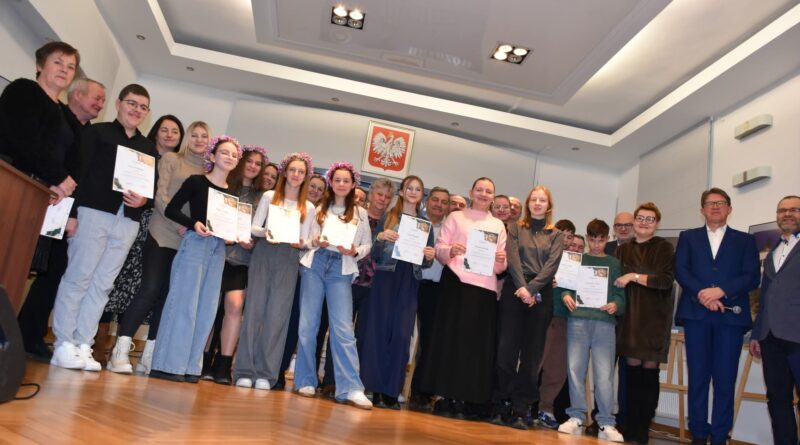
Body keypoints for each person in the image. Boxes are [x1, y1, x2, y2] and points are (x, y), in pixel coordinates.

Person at [49, 84, 156, 371]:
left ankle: (84, 343)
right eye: (131, 103)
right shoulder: (97, 133)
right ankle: (63, 342)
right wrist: (71, 213)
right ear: (118, 104)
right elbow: (78, 174)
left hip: (127, 221)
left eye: (142, 107)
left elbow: (151, 189)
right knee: (78, 278)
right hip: (93, 212)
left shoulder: (147, 148)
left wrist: (144, 200)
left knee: (103, 285)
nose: (136, 110)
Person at [107, 121, 209, 374]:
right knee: (149, 290)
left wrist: (192, 227)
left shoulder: (209, 171)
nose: (199, 140)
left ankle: (150, 355)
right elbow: (160, 196)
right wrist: (180, 223)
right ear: (187, 138)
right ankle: (120, 350)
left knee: (167, 297)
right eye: (194, 135)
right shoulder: (172, 159)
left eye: (204, 136)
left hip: (187, 241)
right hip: (162, 232)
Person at [15, 75, 105, 361]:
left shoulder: (89, 133)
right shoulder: (59, 121)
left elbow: (82, 178)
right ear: (76, 95)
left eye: (103, 100)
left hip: (64, 211)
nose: (100, 104)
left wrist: (72, 212)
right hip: (39, 200)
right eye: (97, 98)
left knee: (52, 273)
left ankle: (29, 334)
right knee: (24, 267)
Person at [148, 136, 242, 382]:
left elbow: (231, 228)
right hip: (195, 244)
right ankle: (168, 365)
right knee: (183, 304)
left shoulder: (232, 195)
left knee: (207, 308)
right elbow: (171, 209)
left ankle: (191, 366)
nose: (230, 157)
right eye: (224, 152)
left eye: (234, 155)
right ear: (212, 156)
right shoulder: (196, 182)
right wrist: (193, 224)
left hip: (218, 250)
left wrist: (231, 237)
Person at [674, 188, 760, 445]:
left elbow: (751, 276)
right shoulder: (688, 237)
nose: (715, 207)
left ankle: (721, 436)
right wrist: (704, 294)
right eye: (710, 203)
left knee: (725, 380)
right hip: (696, 315)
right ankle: (699, 434)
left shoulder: (746, 240)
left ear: (729, 209)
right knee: (698, 378)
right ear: (702, 210)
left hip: (730, 318)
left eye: (720, 203)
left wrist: (721, 291)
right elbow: (681, 270)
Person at [420, 177, 507, 419]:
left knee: (475, 347)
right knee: (449, 341)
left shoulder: (498, 225)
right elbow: (439, 250)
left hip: (484, 290)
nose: (483, 194)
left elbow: (501, 266)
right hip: (455, 285)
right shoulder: (455, 217)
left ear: (493, 196)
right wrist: (451, 250)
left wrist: (500, 260)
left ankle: (468, 399)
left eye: (488, 191)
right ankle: (445, 397)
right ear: (471, 192)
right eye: (479, 189)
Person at [100, 115, 185, 363]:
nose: (169, 135)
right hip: (136, 223)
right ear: (155, 132)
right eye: (164, 130)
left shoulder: (180, 165)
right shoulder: (143, 155)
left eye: (175, 131)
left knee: (149, 288)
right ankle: (101, 343)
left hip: (163, 230)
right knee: (121, 282)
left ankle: (126, 346)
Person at [294, 162, 373, 409]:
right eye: (337, 179)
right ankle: (305, 380)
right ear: (331, 182)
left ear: (353, 185)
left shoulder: (360, 214)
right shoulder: (319, 208)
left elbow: (367, 245)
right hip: (315, 264)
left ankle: (351, 388)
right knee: (308, 325)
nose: (341, 184)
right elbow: (306, 240)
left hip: (341, 268)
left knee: (343, 329)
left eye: (345, 180)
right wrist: (314, 241)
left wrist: (355, 251)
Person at [234, 152, 315, 390]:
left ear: (305, 176)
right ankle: (244, 370)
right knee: (254, 312)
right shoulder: (270, 197)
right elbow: (254, 227)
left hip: (289, 259)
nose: (296, 175)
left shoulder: (308, 207)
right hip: (264, 252)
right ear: (285, 172)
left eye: (301, 172)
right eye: (292, 170)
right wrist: (268, 231)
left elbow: (307, 239)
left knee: (277, 317)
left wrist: (302, 242)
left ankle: (266, 373)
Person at [309, 177, 396, 394]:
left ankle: (356, 383)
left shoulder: (392, 223)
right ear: (371, 194)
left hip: (374, 286)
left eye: (387, 197)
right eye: (379, 194)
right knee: (339, 331)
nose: (382, 200)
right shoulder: (355, 214)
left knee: (364, 336)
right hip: (345, 279)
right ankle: (331, 381)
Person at [358, 175, 435, 409]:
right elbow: (373, 251)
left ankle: (391, 390)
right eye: (409, 188)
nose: (413, 192)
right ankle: (373, 387)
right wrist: (380, 237)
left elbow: (426, 262)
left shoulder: (426, 225)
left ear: (421, 195)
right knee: (378, 331)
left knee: (402, 335)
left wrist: (429, 256)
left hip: (409, 279)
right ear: (401, 192)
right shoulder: (389, 216)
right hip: (385, 277)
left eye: (417, 189)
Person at [491, 185, 563, 429]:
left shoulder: (556, 234)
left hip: (541, 294)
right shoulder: (515, 228)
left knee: (532, 357)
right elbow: (513, 259)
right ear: (528, 203)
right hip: (515, 288)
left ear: (548, 205)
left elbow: (551, 266)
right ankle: (502, 403)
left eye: (542, 200)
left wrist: (532, 289)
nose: (538, 203)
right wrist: (523, 289)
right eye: (534, 199)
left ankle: (521, 408)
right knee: (506, 352)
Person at [203, 146, 268, 384]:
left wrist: (253, 241)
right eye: (249, 161)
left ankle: (223, 365)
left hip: (242, 260)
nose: (253, 166)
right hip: (216, 253)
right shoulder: (225, 184)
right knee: (210, 308)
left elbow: (264, 230)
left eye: (258, 164)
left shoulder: (263, 197)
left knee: (234, 306)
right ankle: (203, 361)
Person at [556, 219, 625, 442]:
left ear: (607, 239)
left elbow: (620, 295)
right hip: (578, 319)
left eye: (601, 241)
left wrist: (616, 305)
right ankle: (576, 417)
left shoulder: (614, 263)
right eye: (593, 240)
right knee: (575, 369)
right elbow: (565, 286)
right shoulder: (578, 260)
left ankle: (606, 422)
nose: (596, 245)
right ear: (587, 239)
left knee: (604, 374)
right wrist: (566, 295)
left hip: (604, 322)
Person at [614, 202, 675, 444]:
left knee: (648, 376)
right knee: (631, 376)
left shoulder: (664, 247)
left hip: (654, 320)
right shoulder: (623, 250)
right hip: (629, 320)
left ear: (657, 224)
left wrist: (634, 276)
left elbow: (665, 281)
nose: (644, 222)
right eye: (640, 218)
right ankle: (629, 427)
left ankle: (642, 429)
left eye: (650, 219)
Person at [0, 41, 81, 201]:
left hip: (44, 192)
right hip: (10, 178)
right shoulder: (23, 90)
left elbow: (75, 158)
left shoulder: (68, 115)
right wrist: (59, 177)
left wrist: (61, 185)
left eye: (71, 67)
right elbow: (24, 140)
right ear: (39, 66)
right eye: (58, 62)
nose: (64, 69)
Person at [750, 195, 800, 445]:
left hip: (797, 337)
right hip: (770, 338)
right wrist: (757, 333)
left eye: (794, 209)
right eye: (782, 210)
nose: (787, 214)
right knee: (778, 400)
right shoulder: (774, 251)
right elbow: (766, 295)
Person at [408, 186, 450, 412]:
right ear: (427, 201)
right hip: (410, 283)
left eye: (444, 202)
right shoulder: (415, 222)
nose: (439, 205)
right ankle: (388, 389)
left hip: (434, 290)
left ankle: (420, 394)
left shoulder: (449, 230)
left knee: (428, 342)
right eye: (435, 199)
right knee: (402, 336)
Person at [537, 218, 577, 429]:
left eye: (570, 237)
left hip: (564, 319)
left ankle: (546, 408)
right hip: (542, 315)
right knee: (535, 363)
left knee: (557, 368)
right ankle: (521, 406)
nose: (566, 240)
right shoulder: (543, 255)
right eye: (563, 235)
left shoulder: (576, 262)